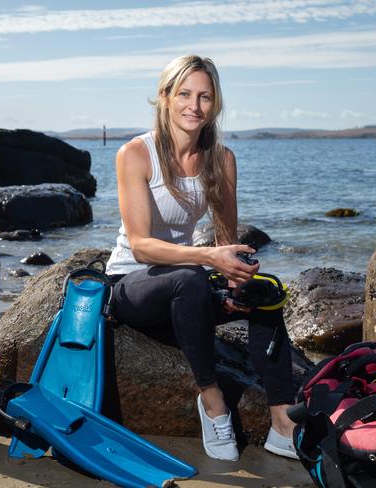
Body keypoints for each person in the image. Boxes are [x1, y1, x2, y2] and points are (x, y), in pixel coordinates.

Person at [105, 54, 297, 461]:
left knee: (267, 292)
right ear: (165, 97)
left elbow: (228, 236)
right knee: (190, 277)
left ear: (216, 104)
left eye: (205, 97)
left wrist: (235, 278)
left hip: (188, 284)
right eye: (185, 94)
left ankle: (283, 421)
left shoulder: (222, 159)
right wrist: (209, 259)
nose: (194, 106)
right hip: (132, 285)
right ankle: (212, 402)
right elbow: (140, 245)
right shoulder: (135, 155)